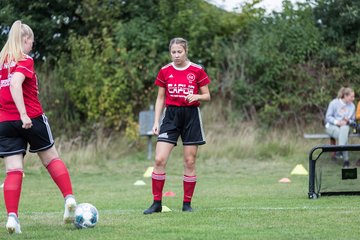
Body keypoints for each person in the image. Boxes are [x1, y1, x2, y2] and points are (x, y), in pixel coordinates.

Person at [0, 20, 77, 234]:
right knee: (51, 159)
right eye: (31, 42)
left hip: (5, 122)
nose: (32, 46)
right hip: (30, 118)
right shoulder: (24, 60)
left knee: (13, 170)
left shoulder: (1, 63)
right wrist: (24, 114)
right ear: (25, 40)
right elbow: (16, 83)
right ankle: (70, 199)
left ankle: (12, 218)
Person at [143, 37, 211, 214]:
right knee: (159, 159)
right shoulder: (165, 71)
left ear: (185, 51)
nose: (176, 55)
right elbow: (160, 98)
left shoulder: (197, 70)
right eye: (173, 52)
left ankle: (187, 204)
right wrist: (156, 122)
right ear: (170, 52)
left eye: (179, 51)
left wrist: (197, 96)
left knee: (189, 161)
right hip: (171, 116)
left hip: (191, 117)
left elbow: (207, 95)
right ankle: (156, 203)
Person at [324, 87, 355, 168]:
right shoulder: (334, 103)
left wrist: (348, 121)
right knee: (343, 136)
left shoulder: (352, 106)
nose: (353, 99)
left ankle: (340, 149)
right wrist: (337, 122)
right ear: (345, 96)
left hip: (345, 127)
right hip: (331, 126)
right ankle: (346, 161)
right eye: (351, 97)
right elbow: (328, 117)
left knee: (344, 129)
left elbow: (353, 121)